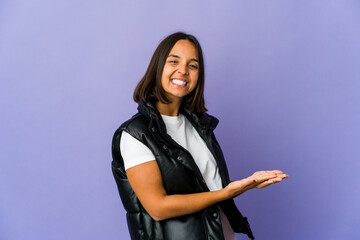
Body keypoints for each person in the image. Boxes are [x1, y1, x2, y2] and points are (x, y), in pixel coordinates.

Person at [111, 32, 289, 240]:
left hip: (220, 232)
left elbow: (207, 187)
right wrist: (227, 193)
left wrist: (246, 184)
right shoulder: (135, 133)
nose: (183, 71)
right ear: (158, 67)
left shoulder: (198, 125)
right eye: (174, 61)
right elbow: (158, 207)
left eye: (193, 65)